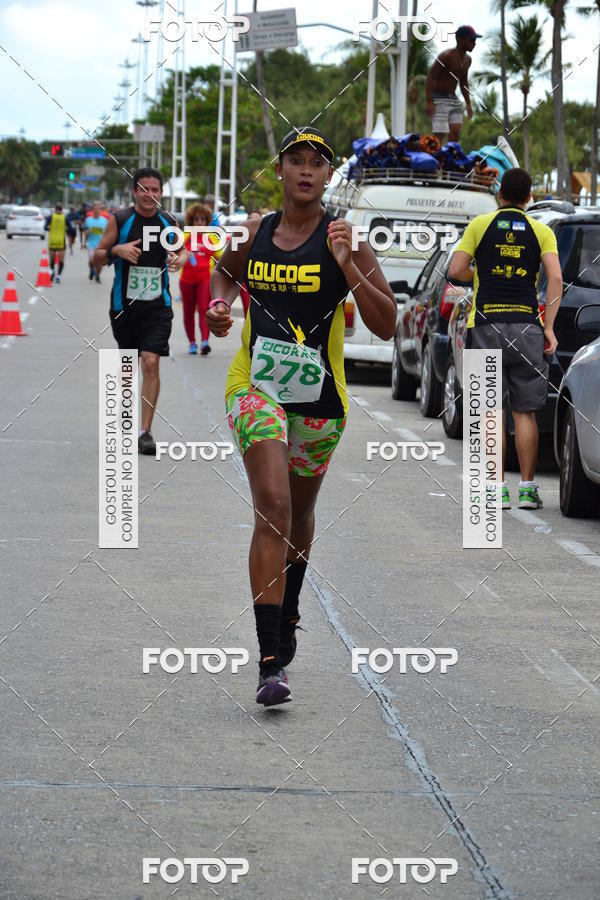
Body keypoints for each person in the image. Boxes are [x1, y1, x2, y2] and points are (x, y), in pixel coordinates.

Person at [207, 128, 396, 706]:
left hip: (318, 399)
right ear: (281, 170)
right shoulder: (255, 231)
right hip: (256, 388)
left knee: (301, 511)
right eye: (297, 161)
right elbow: (224, 274)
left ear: (327, 176)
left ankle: (287, 612)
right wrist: (221, 305)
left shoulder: (344, 239)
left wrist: (349, 267)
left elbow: (386, 324)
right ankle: (269, 662)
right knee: (274, 507)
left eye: (317, 163)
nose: (307, 171)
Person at [448, 167, 563, 510]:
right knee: (524, 411)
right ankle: (527, 488)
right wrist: (549, 327)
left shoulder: (479, 225)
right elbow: (555, 279)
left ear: (499, 194)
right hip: (527, 327)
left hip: (485, 325)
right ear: (530, 198)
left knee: (490, 412)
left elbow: (455, 270)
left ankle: (496, 489)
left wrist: (479, 273)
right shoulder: (541, 230)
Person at [93, 167, 188, 455]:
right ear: (135, 191)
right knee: (127, 367)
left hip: (158, 307)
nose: (150, 195)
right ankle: (124, 422)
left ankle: (145, 432)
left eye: (155, 190)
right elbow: (96, 258)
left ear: (161, 193)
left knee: (150, 361)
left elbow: (183, 250)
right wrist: (116, 251)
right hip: (124, 307)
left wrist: (179, 258)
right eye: (144, 189)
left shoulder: (167, 221)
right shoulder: (120, 220)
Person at [425, 25, 481, 143]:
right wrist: (429, 101)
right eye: (472, 40)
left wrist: (469, 104)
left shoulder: (468, 60)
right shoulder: (446, 56)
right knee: (439, 135)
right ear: (461, 40)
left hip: (453, 97)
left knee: (455, 133)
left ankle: (450, 158)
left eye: (475, 41)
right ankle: (435, 158)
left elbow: (463, 82)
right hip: (439, 97)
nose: (475, 44)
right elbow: (431, 76)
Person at [179, 203, 219, 354]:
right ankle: (192, 343)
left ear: (207, 221)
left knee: (204, 310)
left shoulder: (211, 239)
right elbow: (174, 255)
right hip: (186, 281)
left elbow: (221, 258)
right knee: (188, 312)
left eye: (203, 219)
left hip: (204, 280)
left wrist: (217, 270)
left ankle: (204, 342)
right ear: (191, 221)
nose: (200, 222)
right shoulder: (184, 237)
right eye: (196, 219)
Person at [84, 201, 108, 283]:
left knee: (100, 264)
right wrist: (84, 242)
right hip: (91, 244)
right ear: (92, 209)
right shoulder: (88, 220)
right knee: (92, 261)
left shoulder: (104, 221)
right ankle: (91, 269)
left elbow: (107, 233)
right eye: (95, 208)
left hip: (101, 245)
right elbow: (86, 232)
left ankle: (97, 275)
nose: (97, 210)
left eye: (99, 208)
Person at [45, 202, 67, 283]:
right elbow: (71, 229)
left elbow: (45, 227)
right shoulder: (65, 217)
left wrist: (51, 230)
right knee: (61, 260)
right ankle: (58, 276)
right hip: (61, 241)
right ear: (62, 209)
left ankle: (52, 272)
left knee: (52, 260)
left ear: (55, 209)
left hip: (52, 241)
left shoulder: (51, 217)